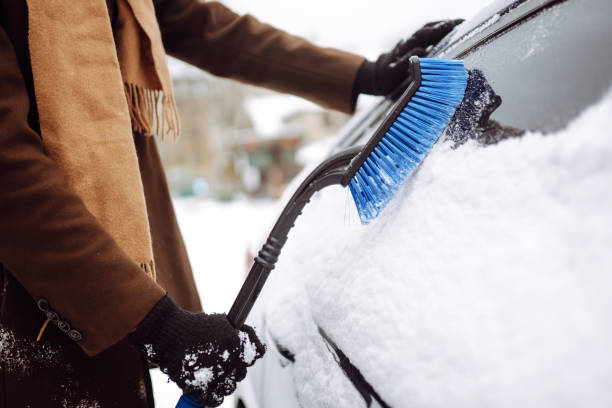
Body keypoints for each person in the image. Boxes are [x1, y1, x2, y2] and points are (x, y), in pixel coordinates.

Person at [0, 0, 461, 406]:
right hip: (35, 301)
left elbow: (207, 26)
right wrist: (154, 322)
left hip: (124, 281)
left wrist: (363, 74)